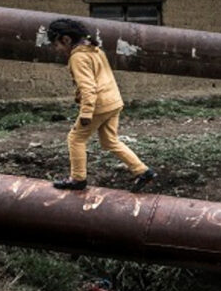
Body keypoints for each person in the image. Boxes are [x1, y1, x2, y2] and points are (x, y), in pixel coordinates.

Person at [46, 18, 157, 192]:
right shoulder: (95, 49)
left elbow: (88, 87)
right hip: (113, 101)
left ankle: (78, 179)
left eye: (56, 44)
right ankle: (143, 171)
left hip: (99, 105)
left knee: (76, 139)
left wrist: (86, 114)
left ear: (66, 39)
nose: (56, 49)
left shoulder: (78, 57)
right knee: (110, 141)